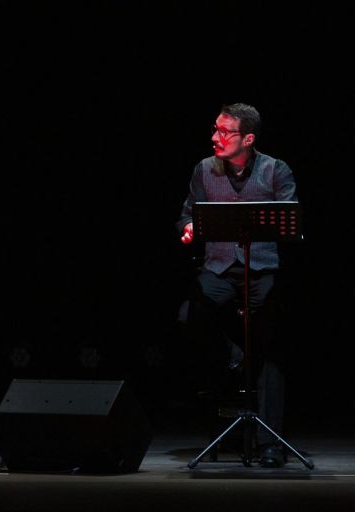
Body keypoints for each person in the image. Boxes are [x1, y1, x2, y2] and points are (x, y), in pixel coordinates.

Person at [177, 103, 297, 468]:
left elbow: (289, 218)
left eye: (224, 132)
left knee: (270, 349)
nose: (215, 137)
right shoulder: (204, 170)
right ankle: (234, 353)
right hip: (219, 269)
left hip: (260, 270)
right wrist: (189, 227)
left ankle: (269, 444)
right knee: (191, 313)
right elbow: (188, 211)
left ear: (247, 139)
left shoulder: (276, 170)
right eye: (215, 129)